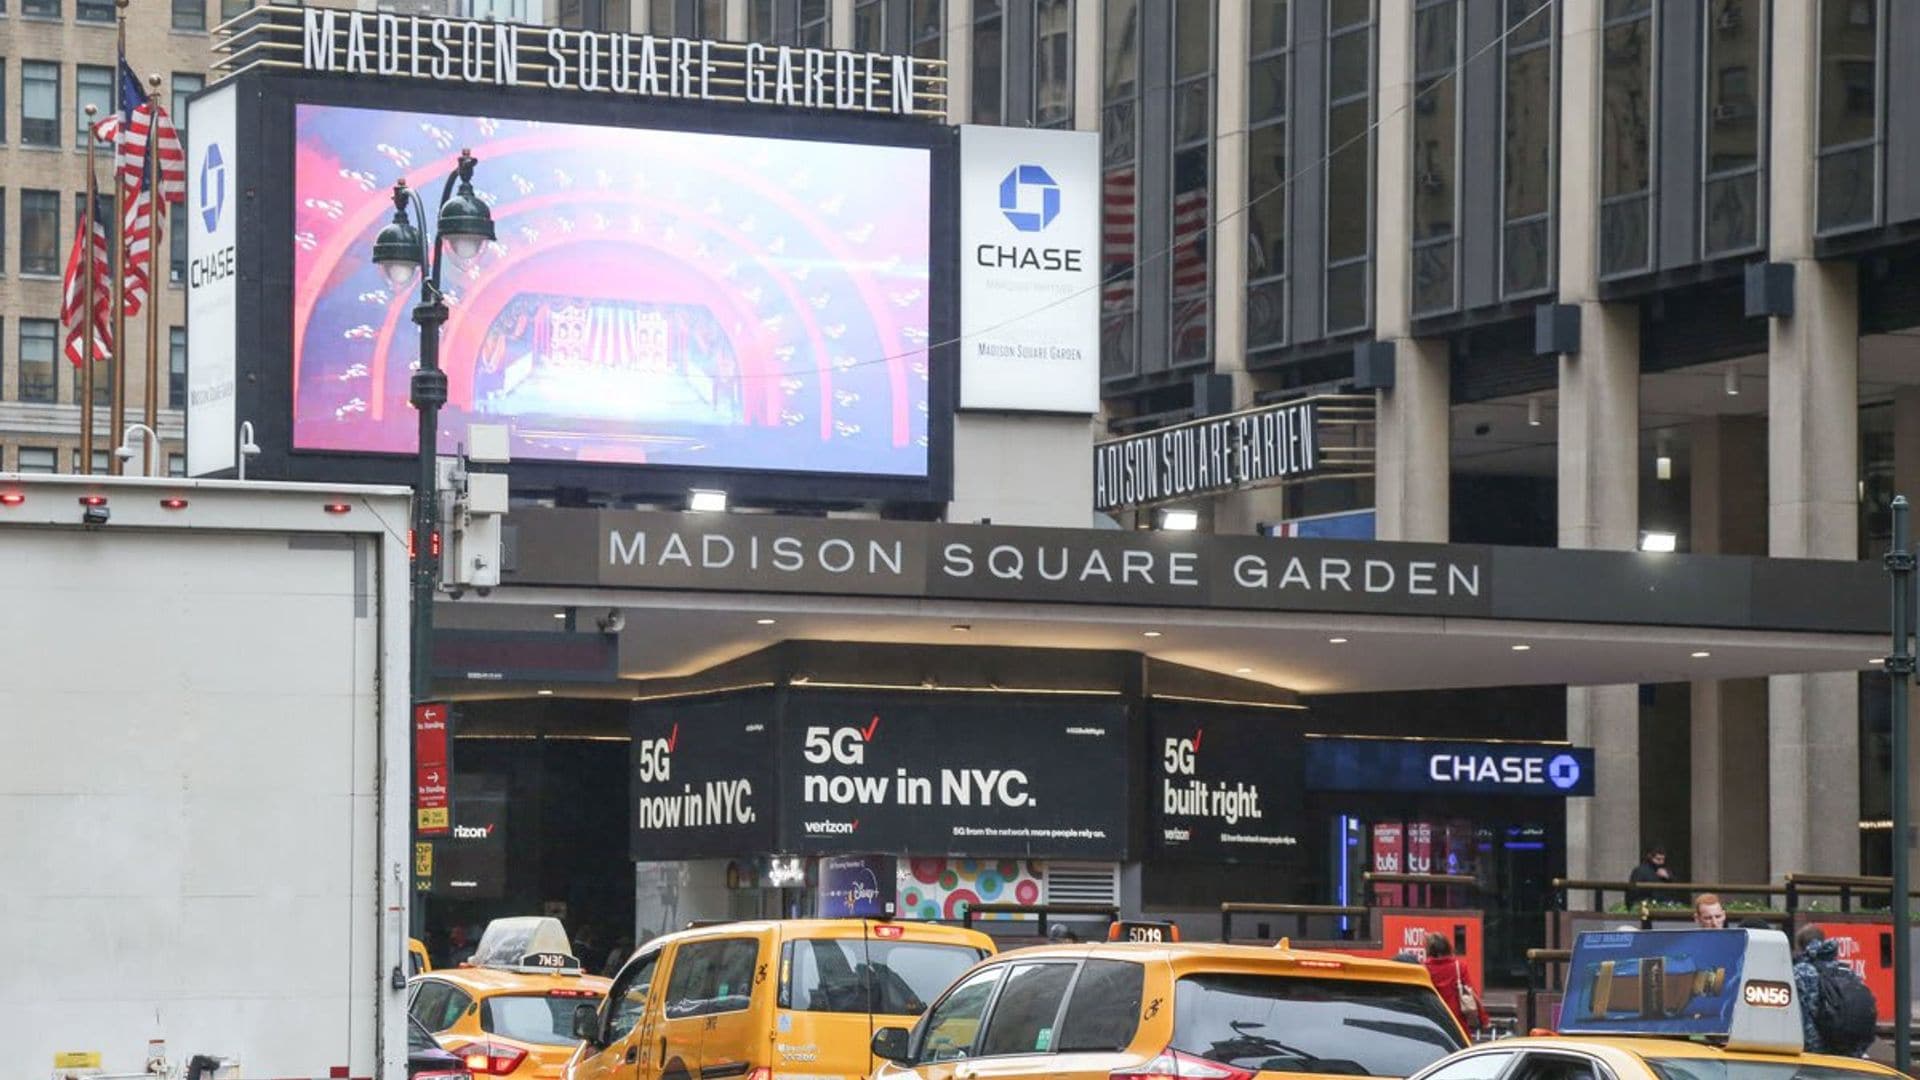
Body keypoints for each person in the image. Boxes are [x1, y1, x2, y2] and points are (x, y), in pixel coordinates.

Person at [1794, 925, 1878, 1057]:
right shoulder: (1847, 971)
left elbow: (1802, 1015)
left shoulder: (1801, 971)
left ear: (1800, 947)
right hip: (1849, 1049)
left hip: (1817, 1051)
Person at [1421, 933, 1481, 1037]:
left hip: (1433, 1017)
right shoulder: (1459, 966)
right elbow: (1470, 992)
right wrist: (1483, 1018)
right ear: (1448, 947)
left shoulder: (1423, 969)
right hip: (1456, 1019)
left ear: (1429, 950)